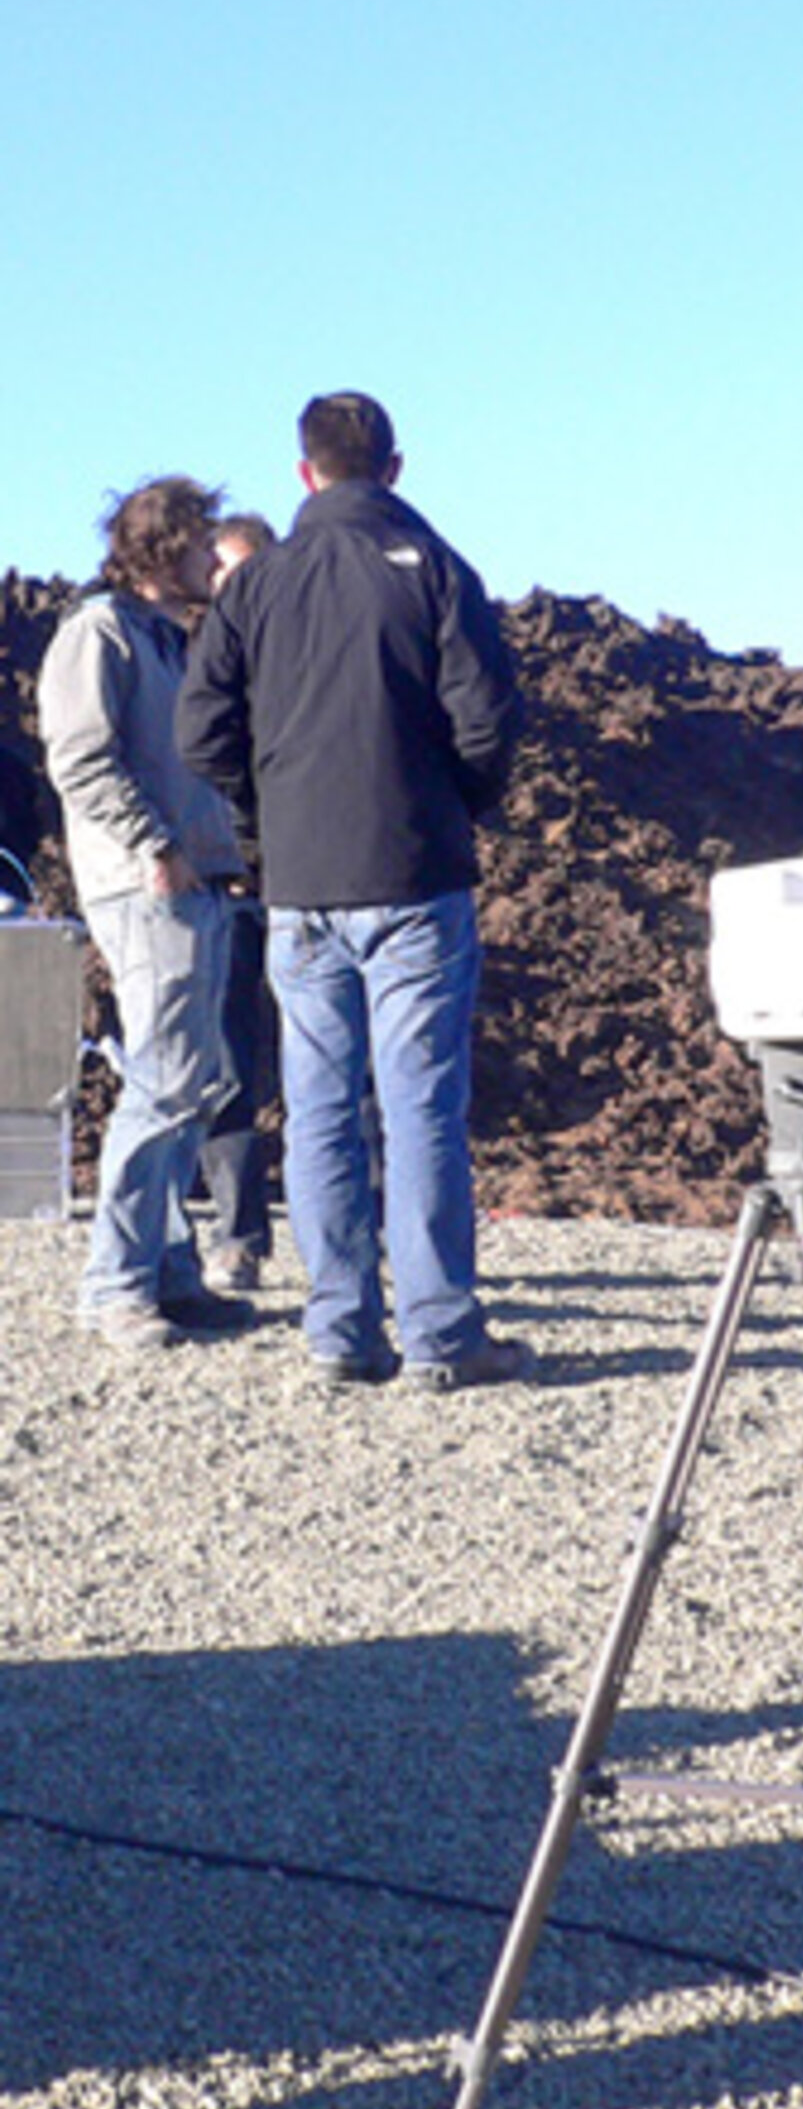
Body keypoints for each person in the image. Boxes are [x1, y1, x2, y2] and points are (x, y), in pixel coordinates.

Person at [178, 393, 529, 1389]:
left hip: (299, 885)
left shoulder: (258, 585)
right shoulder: (437, 571)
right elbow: (490, 721)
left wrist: (262, 822)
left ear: (305, 473)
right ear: (396, 466)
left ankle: (339, 1332)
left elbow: (201, 731)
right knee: (420, 1106)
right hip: (415, 877)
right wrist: (449, 806)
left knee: (321, 1105)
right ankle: (442, 1335)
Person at [36, 477, 251, 1349]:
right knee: (162, 1083)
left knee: (191, 1085)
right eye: (203, 545)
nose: (214, 558)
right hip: (146, 885)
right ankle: (115, 1284)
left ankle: (168, 1271)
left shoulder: (168, 641)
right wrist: (155, 843)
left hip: (191, 882)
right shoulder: (99, 635)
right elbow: (82, 759)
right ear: (163, 550)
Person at [195, 513, 281, 1292]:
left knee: (342, 1067)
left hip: (301, 885)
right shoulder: (192, 667)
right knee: (225, 1069)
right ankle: (238, 1235)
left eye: (243, 570)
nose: (230, 586)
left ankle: (364, 1231)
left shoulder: (302, 660)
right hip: (224, 891)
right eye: (219, 572)